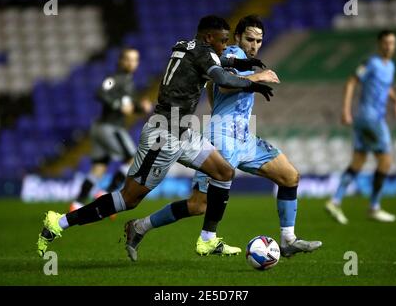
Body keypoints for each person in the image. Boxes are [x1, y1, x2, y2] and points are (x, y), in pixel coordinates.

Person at [37, 15, 275, 258]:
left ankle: (208, 240)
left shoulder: (187, 46)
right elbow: (223, 77)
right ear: (208, 38)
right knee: (128, 199)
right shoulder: (204, 54)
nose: (225, 45)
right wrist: (253, 83)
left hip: (183, 131)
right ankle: (60, 222)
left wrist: (249, 63)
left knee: (224, 172)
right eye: (222, 40)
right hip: (163, 136)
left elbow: (224, 59)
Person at [124, 15, 322, 262]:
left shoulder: (244, 59)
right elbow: (225, 85)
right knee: (199, 205)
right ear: (237, 37)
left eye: (259, 41)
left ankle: (288, 240)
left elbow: (211, 89)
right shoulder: (230, 53)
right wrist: (257, 78)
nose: (254, 45)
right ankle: (142, 227)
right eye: (249, 39)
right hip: (222, 137)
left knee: (290, 177)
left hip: (244, 137)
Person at [325, 30, 396, 224]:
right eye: (386, 43)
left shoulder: (390, 66)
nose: (389, 46)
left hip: (365, 121)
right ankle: (374, 207)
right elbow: (351, 82)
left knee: (358, 161)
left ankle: (335, 201)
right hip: (371, 118)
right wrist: (345, 110)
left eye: (392, 43)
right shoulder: (371, 63)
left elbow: (386, 87)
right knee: (386, 160)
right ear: (379, 44)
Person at [70, 48, 152, 213]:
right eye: (128, 59)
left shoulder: (128, 82)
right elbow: (101, 92)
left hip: (102, 128)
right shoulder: (114, 78)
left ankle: (77, 203)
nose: (131, 63)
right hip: (109, 128)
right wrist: (117, 105)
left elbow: (127, 107)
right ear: (121, 61)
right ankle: (106, 193)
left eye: (135, 59)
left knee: (99, 167)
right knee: (133, 159)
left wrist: (140, 108)